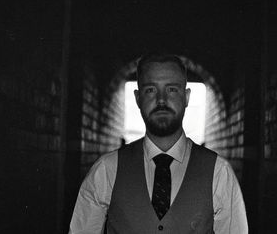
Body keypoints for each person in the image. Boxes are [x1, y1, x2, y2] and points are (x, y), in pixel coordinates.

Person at [69, 54, 248, 233]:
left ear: (186, 97)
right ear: (138, 98)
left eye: (172, 89)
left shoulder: (219, 172)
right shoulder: (106, 169)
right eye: (150, 90)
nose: (161, 100)